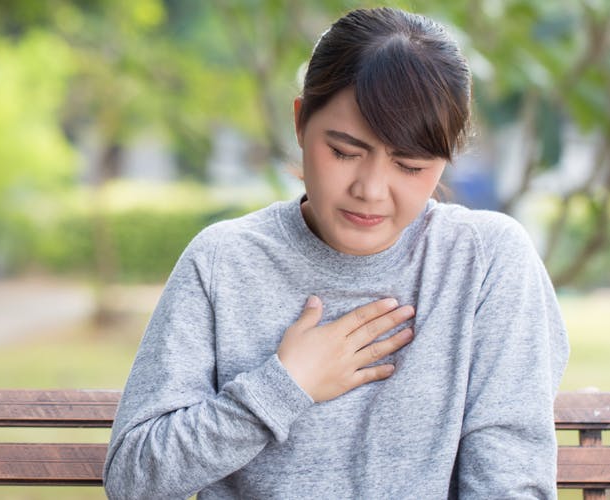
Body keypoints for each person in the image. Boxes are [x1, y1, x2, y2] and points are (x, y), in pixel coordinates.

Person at [103, 6, 569, 499]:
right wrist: (282, 386)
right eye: (345, 152)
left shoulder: (487, 263)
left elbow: (509, 483)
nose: (370, 190)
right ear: (301, 122)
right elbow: (134, 482)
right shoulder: (224, 262)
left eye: (409, 165)